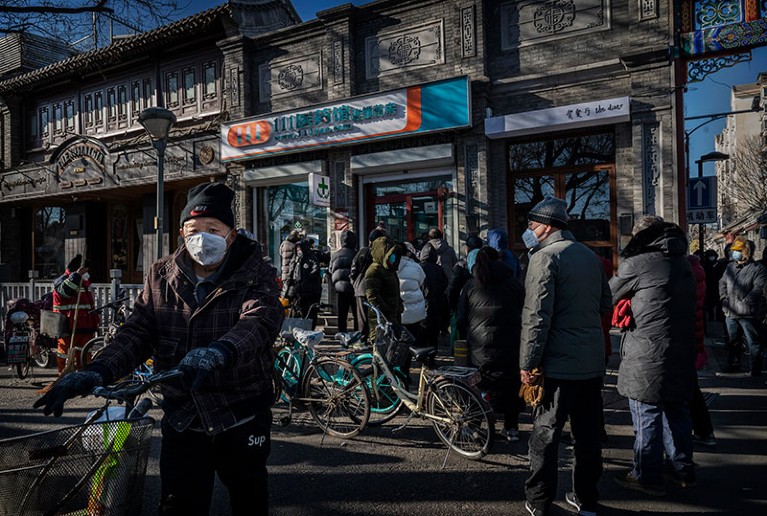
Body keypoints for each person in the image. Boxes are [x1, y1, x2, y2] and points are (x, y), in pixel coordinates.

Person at [34, 182, 284, 515]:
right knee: (178, 504)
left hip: (239, 413)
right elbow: (137, 333)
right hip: (183, 416)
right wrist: (96, 370)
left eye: (213, 229)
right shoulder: (161, 275)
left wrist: (220, 352)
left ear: (231, 235)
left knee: (248, 498)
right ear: (182, 232)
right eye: (194, 229)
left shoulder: (257, 273)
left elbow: (258, 322)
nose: (202, 237)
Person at [518, 196, 610, 516]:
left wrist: (528, 364)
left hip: (557, 364)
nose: (528, 230)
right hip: (591, 362)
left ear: (546, 226)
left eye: (531, 225)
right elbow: (604, 303)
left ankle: (539, 501)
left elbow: (536, 317)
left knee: (545, 435)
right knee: (587, 436)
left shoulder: (544, 258)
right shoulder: (590, 256)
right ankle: (587, 500)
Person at [610, 216, 697, 496]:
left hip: (647, 351)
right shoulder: (682, 261)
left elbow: (607, 294)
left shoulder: (639, 263)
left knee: (646, 411)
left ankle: (646, 474)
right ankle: (682, 470)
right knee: (677, 410)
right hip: (681, 349)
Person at [456, 246, 525, 442]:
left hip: (479, 344)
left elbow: (461, 317)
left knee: (478, 383)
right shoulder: (513, 283)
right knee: (510, 382)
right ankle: (511, 427)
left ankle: (474, 425)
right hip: (511, 341)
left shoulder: (471, 285)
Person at [719, 236, 767, 376]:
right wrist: (724, 300)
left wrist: (744, 303)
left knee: (753, 342)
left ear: (746, 251)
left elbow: (758, 289)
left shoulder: (759, 269)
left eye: (738, 250)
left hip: (749, 313)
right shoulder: (730, 267)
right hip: (730, 312)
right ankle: (733, 364)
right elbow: (722, 283)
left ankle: (755, 369)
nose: (734, 253)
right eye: (734, 250)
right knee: (733, 341)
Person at [51, 254, 100, 373]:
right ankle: (64, 377)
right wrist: (77, 275)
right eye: (84, 271)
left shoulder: (84, 283)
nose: (87, 274)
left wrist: (95, 321)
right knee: (65, 355)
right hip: (68, 327)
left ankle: (83, 377)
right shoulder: (61, 282)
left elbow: (89, 305)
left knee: (85, 355)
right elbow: (65, 292)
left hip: (85, 326)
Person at [688, 254, 716, 447]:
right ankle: (705, 432)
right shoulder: (694, 269)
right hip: (692, 334)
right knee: (690, 387)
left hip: (678, 338)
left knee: (682, 392)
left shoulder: (679, 270)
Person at [364, 236, 402, 342]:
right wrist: (386, 311)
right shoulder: (374, 270)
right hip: (381, 320)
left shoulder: (390, 270)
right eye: (390, 255)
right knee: (382, 351)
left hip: (393, 318)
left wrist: (399, 306)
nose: (393, 258)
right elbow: (372, 296)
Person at [350, 229, 385, 342]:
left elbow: (353, 270)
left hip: (362, 287)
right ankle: (375, 338)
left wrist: (355, 283)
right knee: (376, 315)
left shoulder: (363, 252)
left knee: (362, 317)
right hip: (377, 288)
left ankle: (363, 339)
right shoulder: (382, 253)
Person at [419, 242, 450, 349]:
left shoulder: (419, 268)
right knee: (434, 335)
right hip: (437, 305)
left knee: (422, 334)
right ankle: (431, 359)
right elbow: (445, 285)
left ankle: (423, 359)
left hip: (422, 304)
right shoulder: (439, 269)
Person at [287, 239, 322, 328]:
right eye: (297, 249)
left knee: (310, 312)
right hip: (299, 291)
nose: (299, 251)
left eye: (300, 249)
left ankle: (309, 330)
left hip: (310, 291)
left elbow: (316, 270)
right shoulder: (296, 259)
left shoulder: (311, 258)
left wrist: (307, 277)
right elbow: (291, 274)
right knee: (298, 311)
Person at [329, 230, 358, 333]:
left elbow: (331, 270)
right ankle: (356, 336)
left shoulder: (335, 255)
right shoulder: (356, 254)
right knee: (356, 314)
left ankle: (342, 335)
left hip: (340, 288)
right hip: (354, 289)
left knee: (342, 315)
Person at [398, 242, 426, 344]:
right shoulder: (416, 266)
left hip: (398, 310)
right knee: (412, 338)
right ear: (408, 253)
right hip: (415, 310)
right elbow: (421, 281)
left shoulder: (389, 266)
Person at [447, 234, 483, 312]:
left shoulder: (461, 265)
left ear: (467, 249)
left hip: (466, 304)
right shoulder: (489, 262)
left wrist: (453, 307)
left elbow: (453, 289)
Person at [279, 229, 302, 296]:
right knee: (291, 292)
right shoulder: (294, 245)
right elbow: (299, 256)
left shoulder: (283, 244)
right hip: (292, 271)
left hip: (284, 270)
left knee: (285, 289)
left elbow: (280, 253)